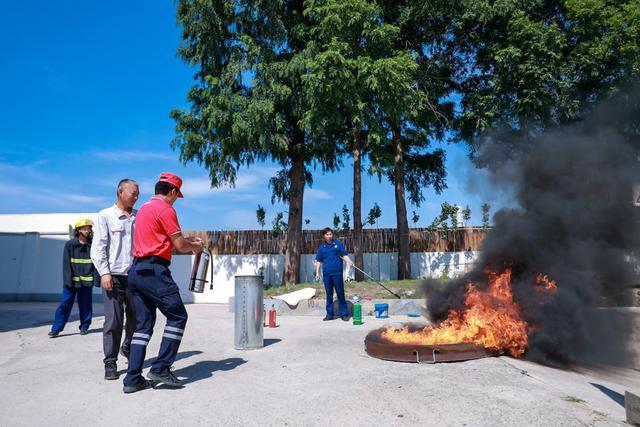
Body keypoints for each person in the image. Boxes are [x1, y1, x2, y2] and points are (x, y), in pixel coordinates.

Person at [122, 172, 203, 394]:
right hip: (154, 272)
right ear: (174, 191)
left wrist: (187, 241)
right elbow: (180, 245)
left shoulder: (145, 209)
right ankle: (161, 367)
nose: (177, 199)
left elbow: (160, 238)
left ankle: (132, 379)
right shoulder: (166, 209)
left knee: (143, 326)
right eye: (177, 195)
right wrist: (195, 246)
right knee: (177, 316)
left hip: (136, 271)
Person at [91, 179, 139, 380]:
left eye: (138, 194)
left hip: (136, 277)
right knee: (114, 321)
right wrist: (104, 273)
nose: (136, 197)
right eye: (133, 193)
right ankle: (110, 362)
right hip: (114, 277)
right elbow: (99, 247)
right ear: (120, 192)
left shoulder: (139, 217)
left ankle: (127, 346)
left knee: (137, 319)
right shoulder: (106, 216)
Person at [49, 219, 100, 337]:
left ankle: (84, 327)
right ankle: (56, 329)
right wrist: (68, 281)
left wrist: (96, 281)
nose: (87, 231)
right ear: (78, 230)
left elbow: (97, 264)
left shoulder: (93, 245)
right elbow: (66, 264)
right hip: (71, 283)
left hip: (86, 283)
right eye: (84, 228)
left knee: (86, 306)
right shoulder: (70, 244)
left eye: (88, 228)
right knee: (64, 305)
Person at [314, 227, 352, 322]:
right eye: (327, 234)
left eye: (330, 234)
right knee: (329, 294)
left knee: (340, 293)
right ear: (324, 236)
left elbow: (344, 255)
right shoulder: (322, 247)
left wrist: (349, 261)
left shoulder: (337, 245)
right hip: (327, 274)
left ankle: (344, 314)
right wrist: (317, 272)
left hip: (337, 273)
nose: (329, 236)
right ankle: (329, 314)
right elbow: (319, 260)